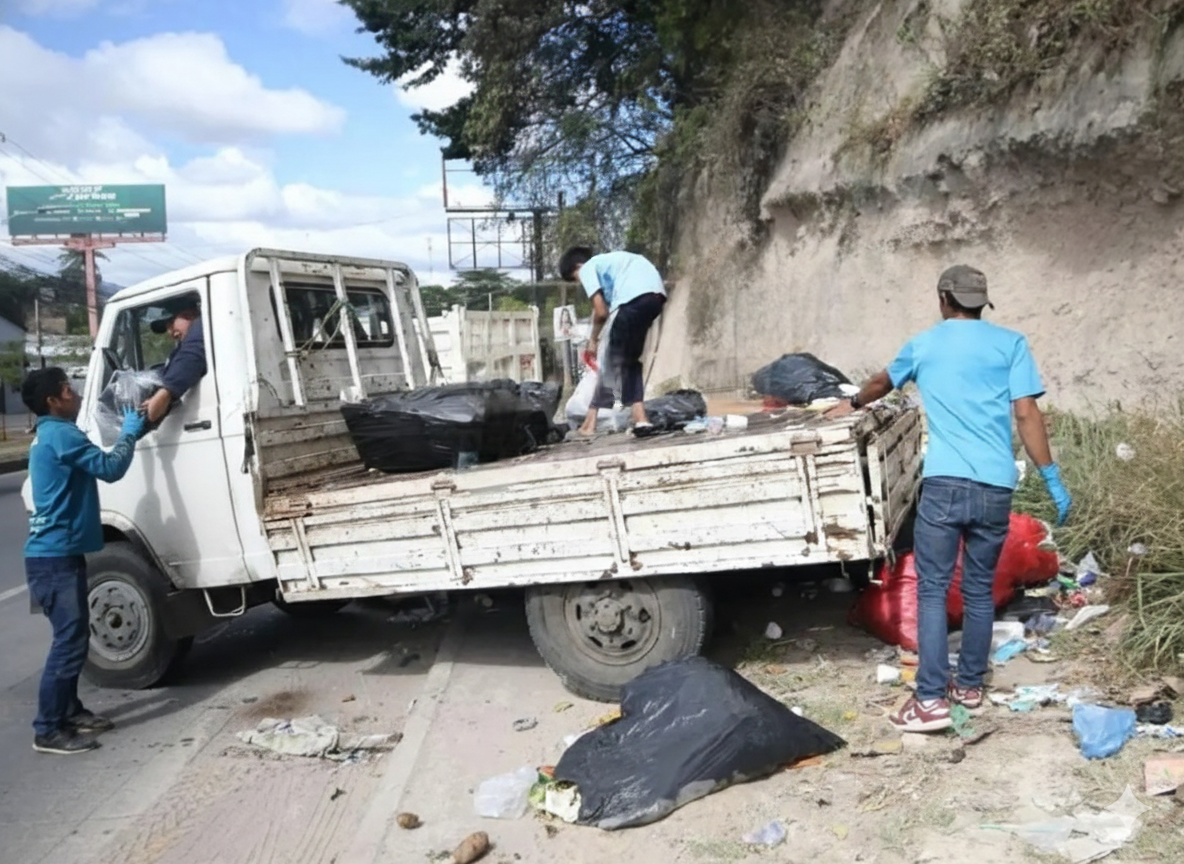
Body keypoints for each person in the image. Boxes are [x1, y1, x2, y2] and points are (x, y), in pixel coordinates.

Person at [828, 265, 1071, 733]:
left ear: (944, 299)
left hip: (944, 485)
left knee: (932, 591)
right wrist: (1052, 477)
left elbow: (882, 383)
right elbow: (1026, 413)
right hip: (997, 487)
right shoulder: (1011, 343)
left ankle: (930, 699)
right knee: (980, 590)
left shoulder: (925, 344)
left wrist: (853, 403)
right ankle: (970, 686)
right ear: (981, 303)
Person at [22, 367, 146, 755]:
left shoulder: (50, 433)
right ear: (52, 401)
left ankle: (70, 710)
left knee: (72, 638)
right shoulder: (62, 434)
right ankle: (48, 729)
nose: (74, 394)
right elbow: (110, 469)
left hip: (56, 556)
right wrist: (129, 431)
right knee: (69, 643)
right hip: (54, 559)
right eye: (67, 389)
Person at [558, 247, 666, 436]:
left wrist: (593, 341)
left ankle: (589, 424)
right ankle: (640, 419)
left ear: (577, 267)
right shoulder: (613, 263)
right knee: (630, 361)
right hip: (655, 298)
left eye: (575, 278)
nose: (580, 282)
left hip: (633, 301)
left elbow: (601, 312)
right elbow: (606, 309)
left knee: (611, 362)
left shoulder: (588, 267)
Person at [141, 294, 207, 423]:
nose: (171, 333)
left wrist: (165, 394)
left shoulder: (201, 327)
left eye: (171, 323)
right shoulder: (182, 346)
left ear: (189, 314)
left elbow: (191, 356)